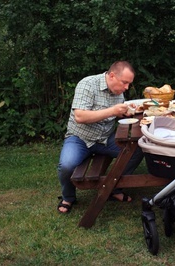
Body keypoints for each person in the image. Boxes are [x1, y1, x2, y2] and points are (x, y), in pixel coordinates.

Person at [57, 61, 143, 214]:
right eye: (125, 83)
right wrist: (113, 111)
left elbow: (116, 113)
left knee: (136, 151)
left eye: (129, 84)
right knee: (67, 165)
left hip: (105, 139)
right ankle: (68, 197)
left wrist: (125, 112)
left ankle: (114, 188)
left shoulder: (118, 92)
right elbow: (80, 116)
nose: (126, 88)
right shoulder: (87, 84)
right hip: (80, 138)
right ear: (112, 76)